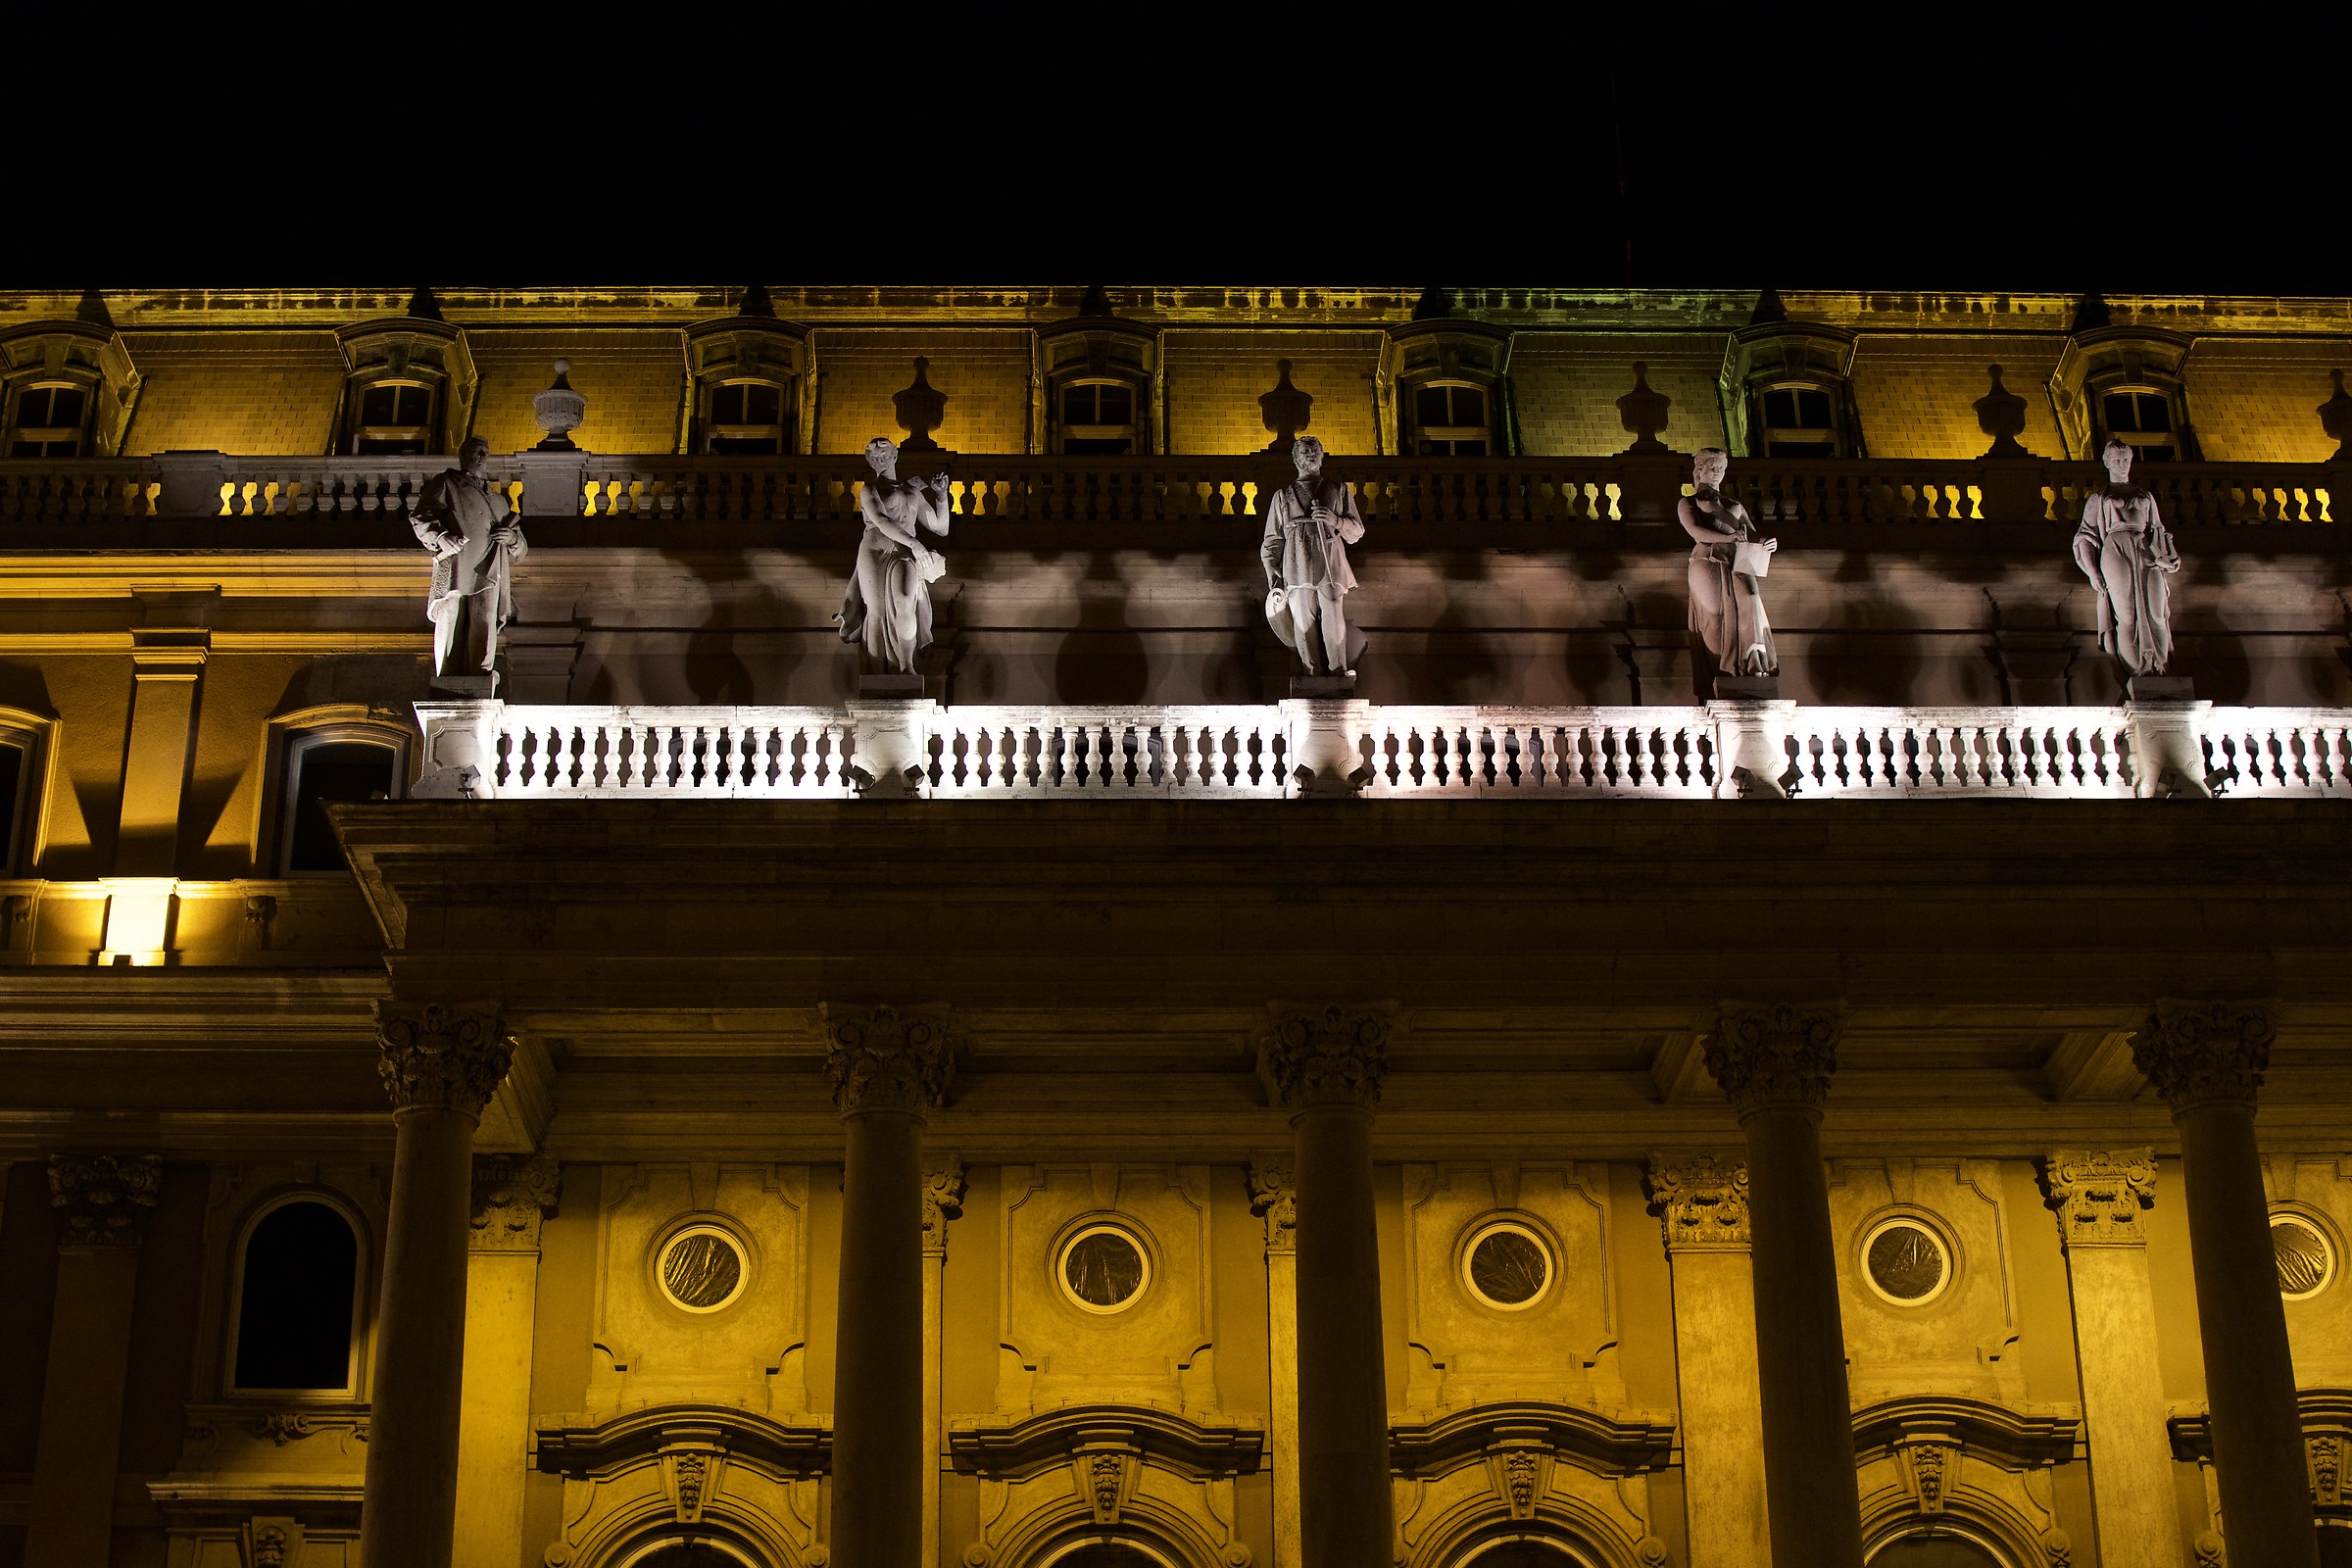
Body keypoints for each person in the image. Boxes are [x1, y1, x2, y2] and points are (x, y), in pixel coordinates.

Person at [412, 436, 526, 680]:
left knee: (484, 616)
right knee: (451, 614)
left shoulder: (499, 500)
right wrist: (441, 537)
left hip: (490, 567)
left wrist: (512, 538)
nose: (482, 456)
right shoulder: (447, 483)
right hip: (458, 563)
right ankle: (447, 672)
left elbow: (521, 547)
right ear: (463, 455)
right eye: (477, 451)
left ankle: (480, 671)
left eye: (486, 451)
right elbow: (421, 517)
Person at [837, 436, 953, 674]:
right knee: (877, 611)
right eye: (875, 458)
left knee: (904, 599)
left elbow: (941, 528)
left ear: (895, 456)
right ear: (870, 462)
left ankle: (906, 665)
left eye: (885, 455)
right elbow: (880, 520)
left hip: (903, 553)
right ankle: (876, 672)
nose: (880, 460)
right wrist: (917, 545)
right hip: (875, 551)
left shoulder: (913, 492)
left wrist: (941, 496)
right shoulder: (869, 489)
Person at [1258, 435, 1366, 677]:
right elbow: (1272, 538)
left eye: (1315, 450)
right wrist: (1270, 567)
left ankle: (1338, 668)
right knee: (1301, 614)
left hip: (1329, 555)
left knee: (1333, 610)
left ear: (1322, 455)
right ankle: (1312, 671)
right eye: (1306, 450)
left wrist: (1334, 520)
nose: (1311, 454)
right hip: (1296, 559)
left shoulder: (1338, 490)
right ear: (1296, 457)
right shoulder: (1282, 496)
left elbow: (1357, 531)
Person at [2073, 437, 2180, 676]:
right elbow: (2084, 538)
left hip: (2145, 549)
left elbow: (2158, 530)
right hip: (2116, 548)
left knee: (2157, 613)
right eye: (2117, 460)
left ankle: (2161, 668)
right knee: (2126, 614)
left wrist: (2169, 557)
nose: (2122, 464)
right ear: (2107, 463)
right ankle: (2139, 672)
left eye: (2126, 460)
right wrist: (2093, 573)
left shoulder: (2146, 496)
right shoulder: (2099, 498)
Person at [1680, 447, 1779, 677]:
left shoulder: (1732, 502)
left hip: (1739, 559)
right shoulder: (1689, 501)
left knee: (1752, 601)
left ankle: (1753, 660)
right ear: (1700, 470)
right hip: (1708, 559)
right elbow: (1695, 530)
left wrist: (1765, 541)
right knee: (1714, 618)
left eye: (1721, 469)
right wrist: (1727, 537)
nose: (1717, 473)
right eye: (1712, 468)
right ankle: (1720, 672)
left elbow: (1749, 532)